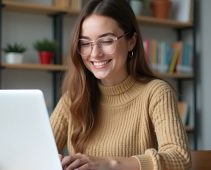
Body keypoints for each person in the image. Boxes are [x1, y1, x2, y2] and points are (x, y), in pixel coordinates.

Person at [50, 0, 191, 169]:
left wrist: (110, 163)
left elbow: (180, 158)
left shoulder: (156, 92)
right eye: (85, 43)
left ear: (131, 41)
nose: (95, 53)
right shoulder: (74, 97)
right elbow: (34, 151)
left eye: (107, 41)